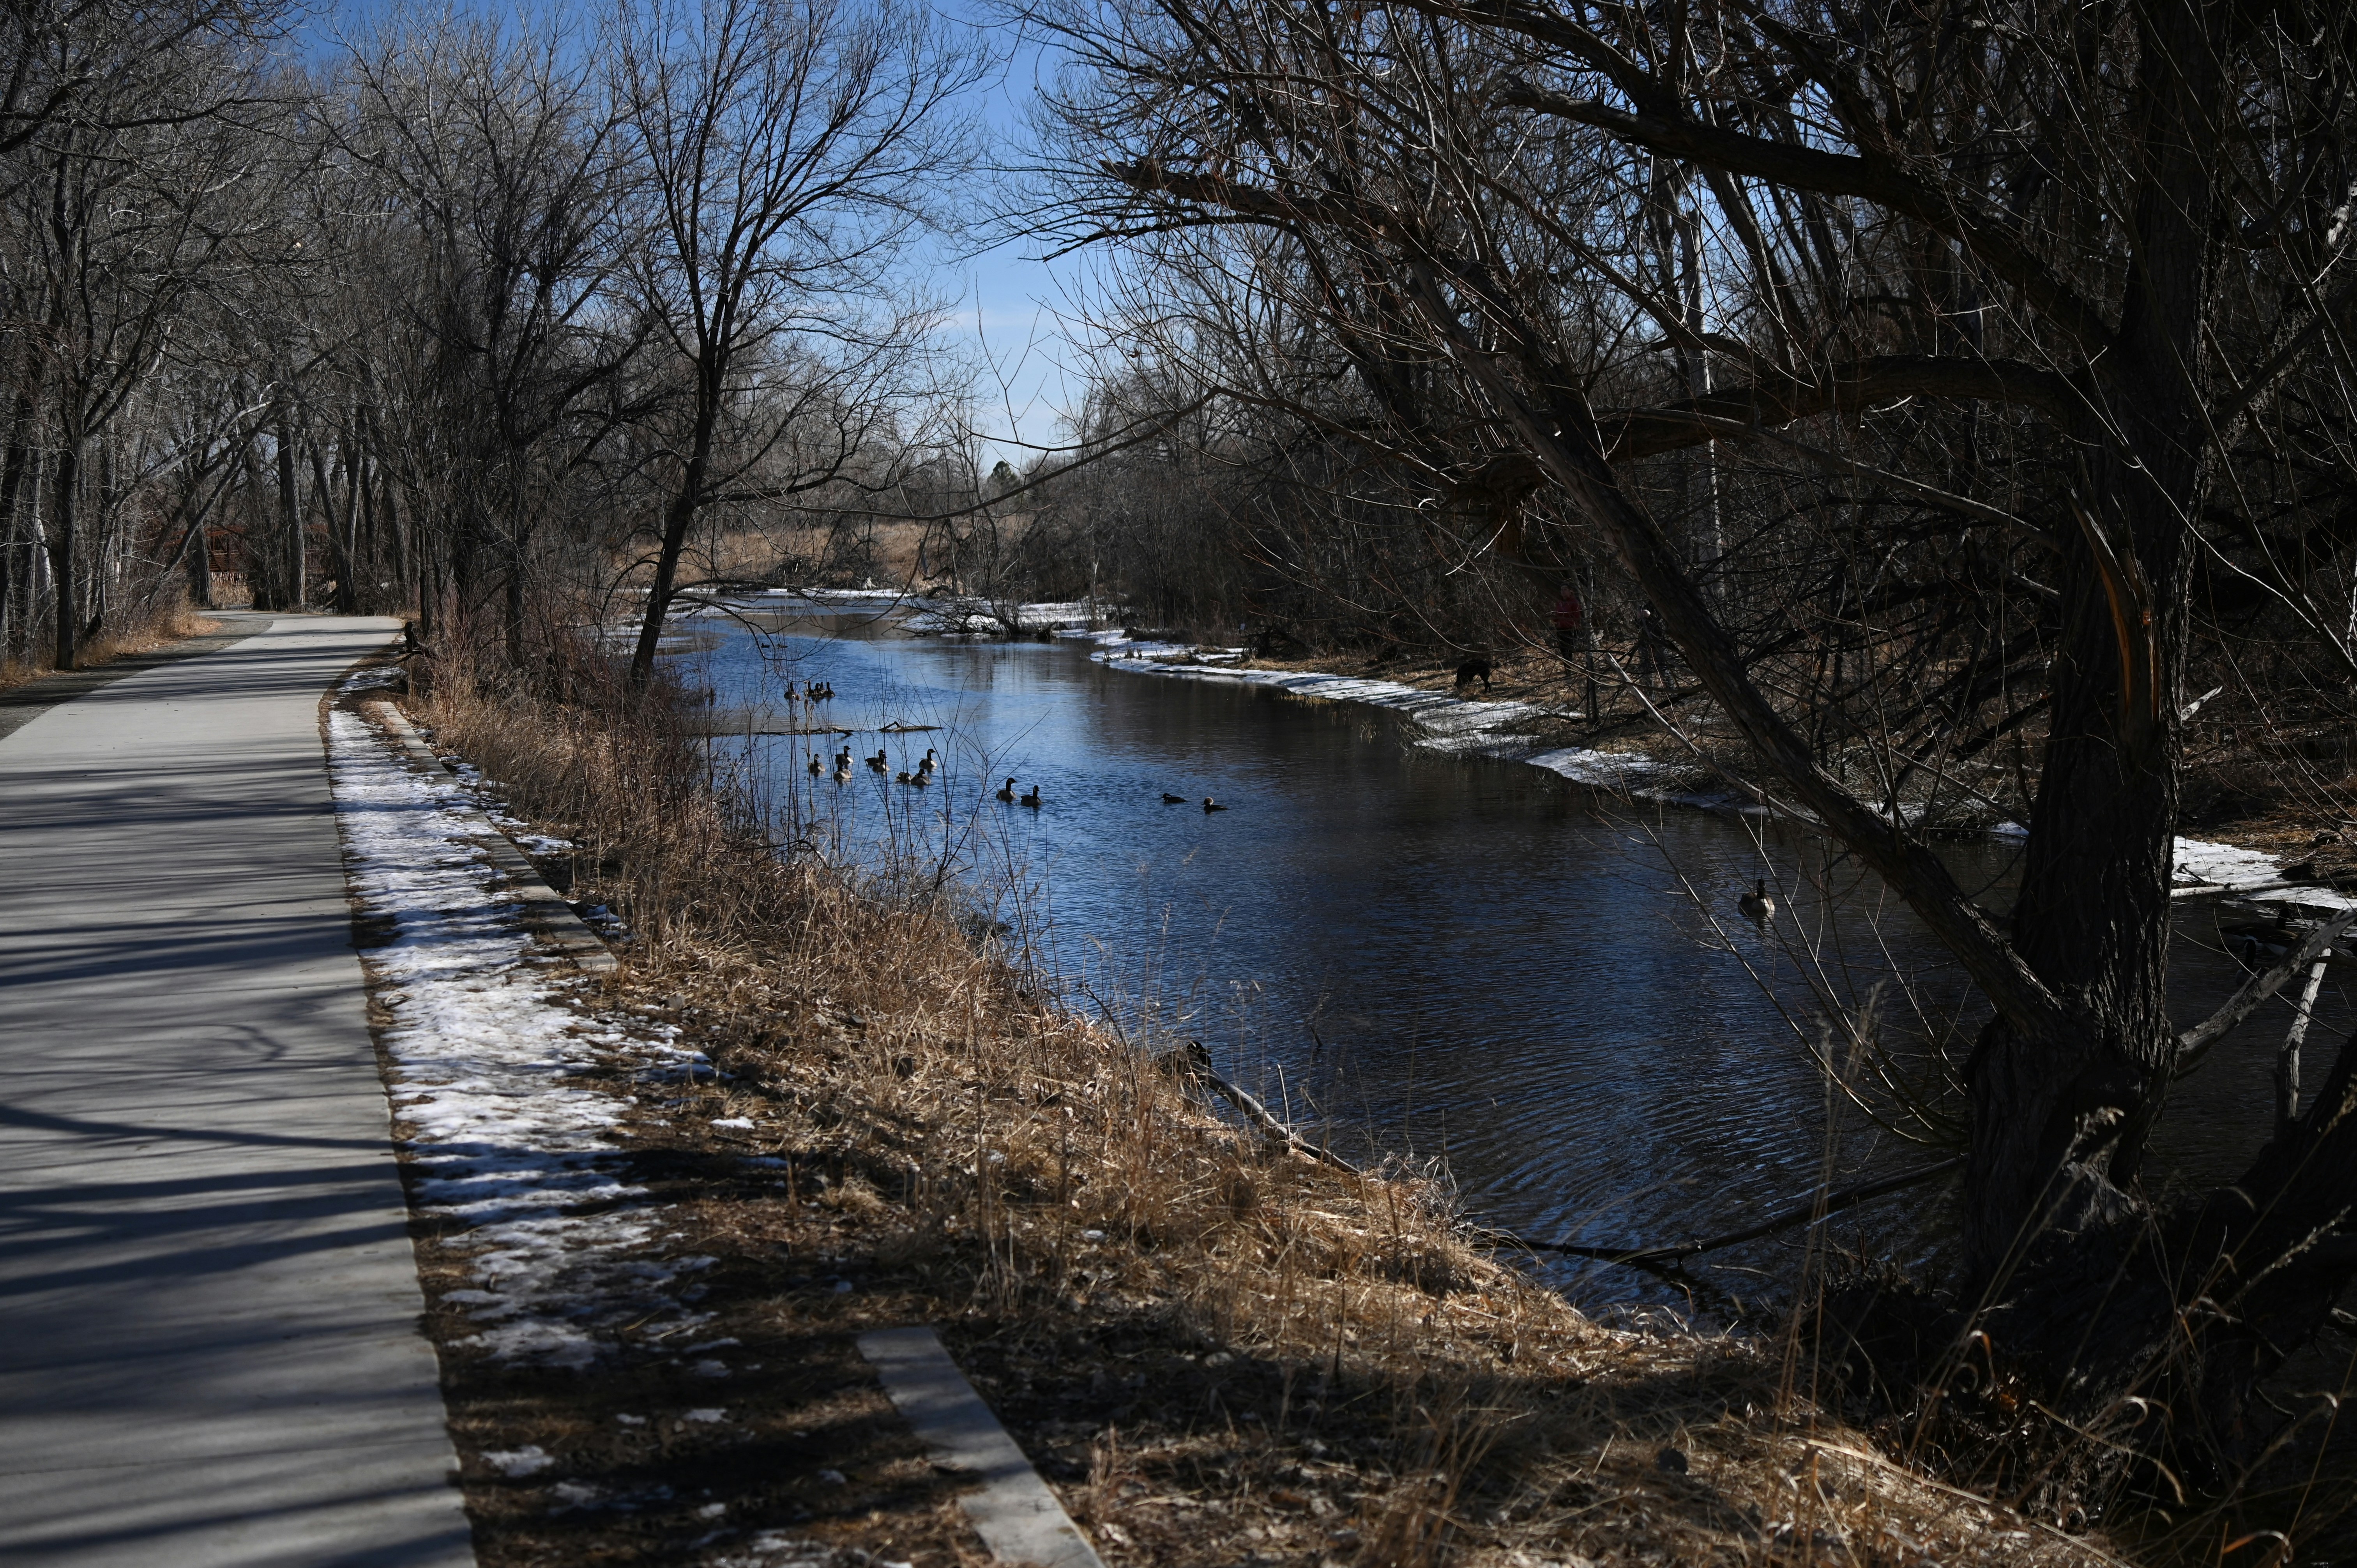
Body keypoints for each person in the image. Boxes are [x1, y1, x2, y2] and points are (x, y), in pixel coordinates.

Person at [1550, 583, 1584, 662]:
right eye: (1562, 590)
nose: (1563, 592)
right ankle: (1567, 668)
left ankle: (1571, 666)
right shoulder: (1560, 603)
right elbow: (1557, 616)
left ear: (1570, 591)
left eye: (1565, 590)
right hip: (1561, 629)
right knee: (1563, 651)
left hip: (1571, 629)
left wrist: (1566, 619)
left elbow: (1576, 617)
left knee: (1570, 650)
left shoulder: (1574, 603)